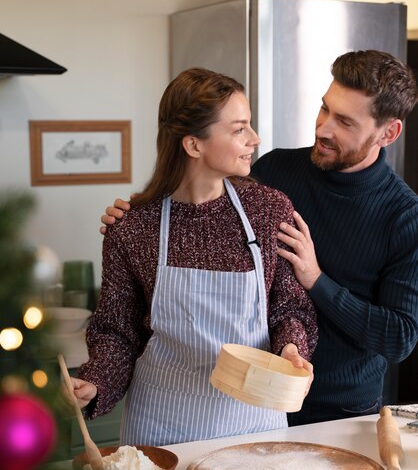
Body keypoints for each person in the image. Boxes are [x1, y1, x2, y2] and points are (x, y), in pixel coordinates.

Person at [102, 50, 418, 427]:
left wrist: (316, 281)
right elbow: (197, 206)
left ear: (389, 132)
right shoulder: (274, 171)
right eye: (324, 109)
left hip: (341, 412)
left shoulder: (405, 216)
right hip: (253, 400)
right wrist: (137, 216)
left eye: (344, 122)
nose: (322, 128)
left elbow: (399, 338)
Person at [73, 67, 317, 446]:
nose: (255, 138)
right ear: (193, 145)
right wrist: (96, 379)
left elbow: (288, 307)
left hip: (253, 417)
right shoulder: (134, 225)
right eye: (239, 129)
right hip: (163, 425)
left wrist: (290, 348)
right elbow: (117, 330)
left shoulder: (268, 209)